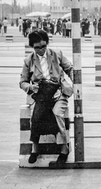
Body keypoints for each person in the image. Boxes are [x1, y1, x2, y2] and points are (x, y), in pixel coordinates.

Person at [19, 30, 73, 164]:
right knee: (36, 116)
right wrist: (31, 87)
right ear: (32, 47)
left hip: (58, 92)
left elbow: (70, 69)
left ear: (47, 44)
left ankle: (64, 148)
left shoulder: (57, 54)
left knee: (57, 114)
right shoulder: (28, 61)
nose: (41, 50)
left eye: (43, 46)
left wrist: (76, 84)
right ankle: (35, 149)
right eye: (37, 47)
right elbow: (22, 82)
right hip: (40, 95)